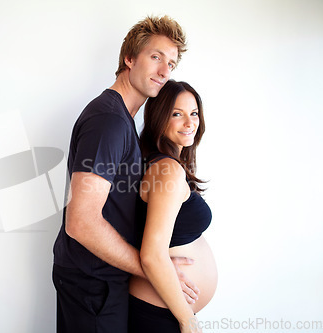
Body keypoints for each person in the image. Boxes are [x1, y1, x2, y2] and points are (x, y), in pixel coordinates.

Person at [52, 16, 198, 333]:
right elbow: (81, 222)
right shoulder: (109, 121)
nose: (164, 72)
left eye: (171, 64)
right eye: (156, 57)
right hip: (93, 286)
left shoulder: (122, 120)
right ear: (129, 58)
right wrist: (153, 269)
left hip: (101, 282)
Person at [128, 80, 217, 333]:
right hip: (159, 314)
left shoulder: (164, 165)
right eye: (177, 114)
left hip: (164, 308)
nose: (189, 123)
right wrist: (187, 320)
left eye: (194, 113)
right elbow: (152, 255)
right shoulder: (167, 170)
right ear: (159, 117)